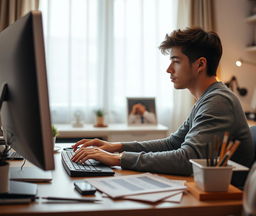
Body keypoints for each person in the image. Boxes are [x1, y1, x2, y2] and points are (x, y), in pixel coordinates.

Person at [71, 27, 254, 186]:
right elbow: (172, 143)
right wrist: (116, 147)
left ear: (200, 64)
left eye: (176, 61)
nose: (169, 69)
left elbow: (186, 159)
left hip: (225, 200)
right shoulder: (208, 98)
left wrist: (118, 159)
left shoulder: (218, 101)